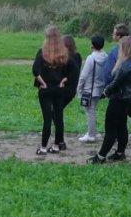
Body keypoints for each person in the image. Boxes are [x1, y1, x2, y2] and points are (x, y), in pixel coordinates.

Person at [90, 35, 131, 164]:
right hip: (127, 99)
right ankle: (120, 152)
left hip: (118, 99)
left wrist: (104, 93)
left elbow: (116, 83)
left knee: (111, 129)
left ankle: (101, 156)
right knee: (122, 126)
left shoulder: (126, 65)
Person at [33, 26, 72, 154]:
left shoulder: (42, 52)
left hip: (46, 89)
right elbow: (72, 71)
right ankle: (56, 146)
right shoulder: (64, 52)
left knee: (47, 119)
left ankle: (43, 148)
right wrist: (63, 80)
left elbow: (35, 70)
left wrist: (42, 82)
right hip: (59, 89)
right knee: (59, 117)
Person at [76, 35, 109, 142]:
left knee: (90, 111)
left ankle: (91, 135)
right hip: (100, 88)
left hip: (89, 89)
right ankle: (92, 132)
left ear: (92, 45)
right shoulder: (106, 57)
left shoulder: (91, 58)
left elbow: (83, 76)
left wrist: (79, 88)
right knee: (92, 110)